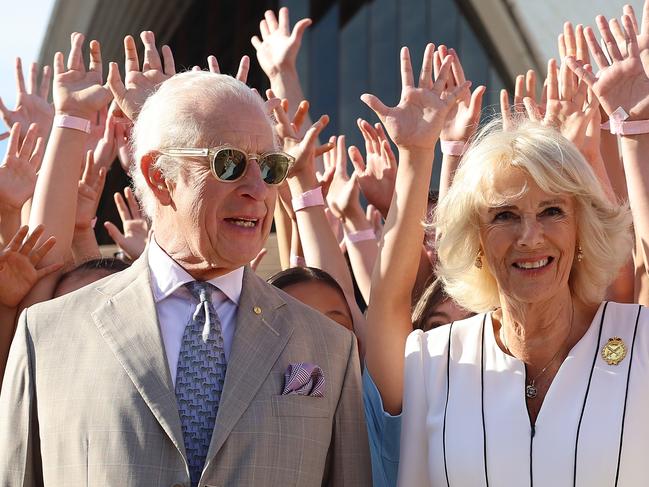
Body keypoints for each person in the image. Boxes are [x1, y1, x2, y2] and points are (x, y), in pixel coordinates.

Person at [0, 34, 370, 487]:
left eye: (271, 167)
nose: (257, 188)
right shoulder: (48, 334)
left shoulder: (328, 346)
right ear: (159, 177)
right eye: (230, 163)